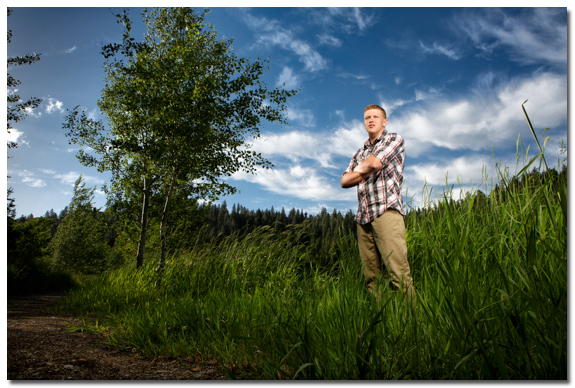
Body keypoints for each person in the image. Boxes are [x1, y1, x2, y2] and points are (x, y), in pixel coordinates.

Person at [341, 104, 415, 305]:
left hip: (386, 211)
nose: (371, 120)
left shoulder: (394, 139)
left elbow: (374, 163)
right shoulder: (360, 151)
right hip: (363, 217)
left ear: (385, 121)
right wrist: (365, 168)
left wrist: (360, 171)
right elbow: (344, 181)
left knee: (398, 273)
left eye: (375, 116)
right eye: (367, 118)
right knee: (372, 278)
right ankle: (383, 324)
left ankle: (413, 325)